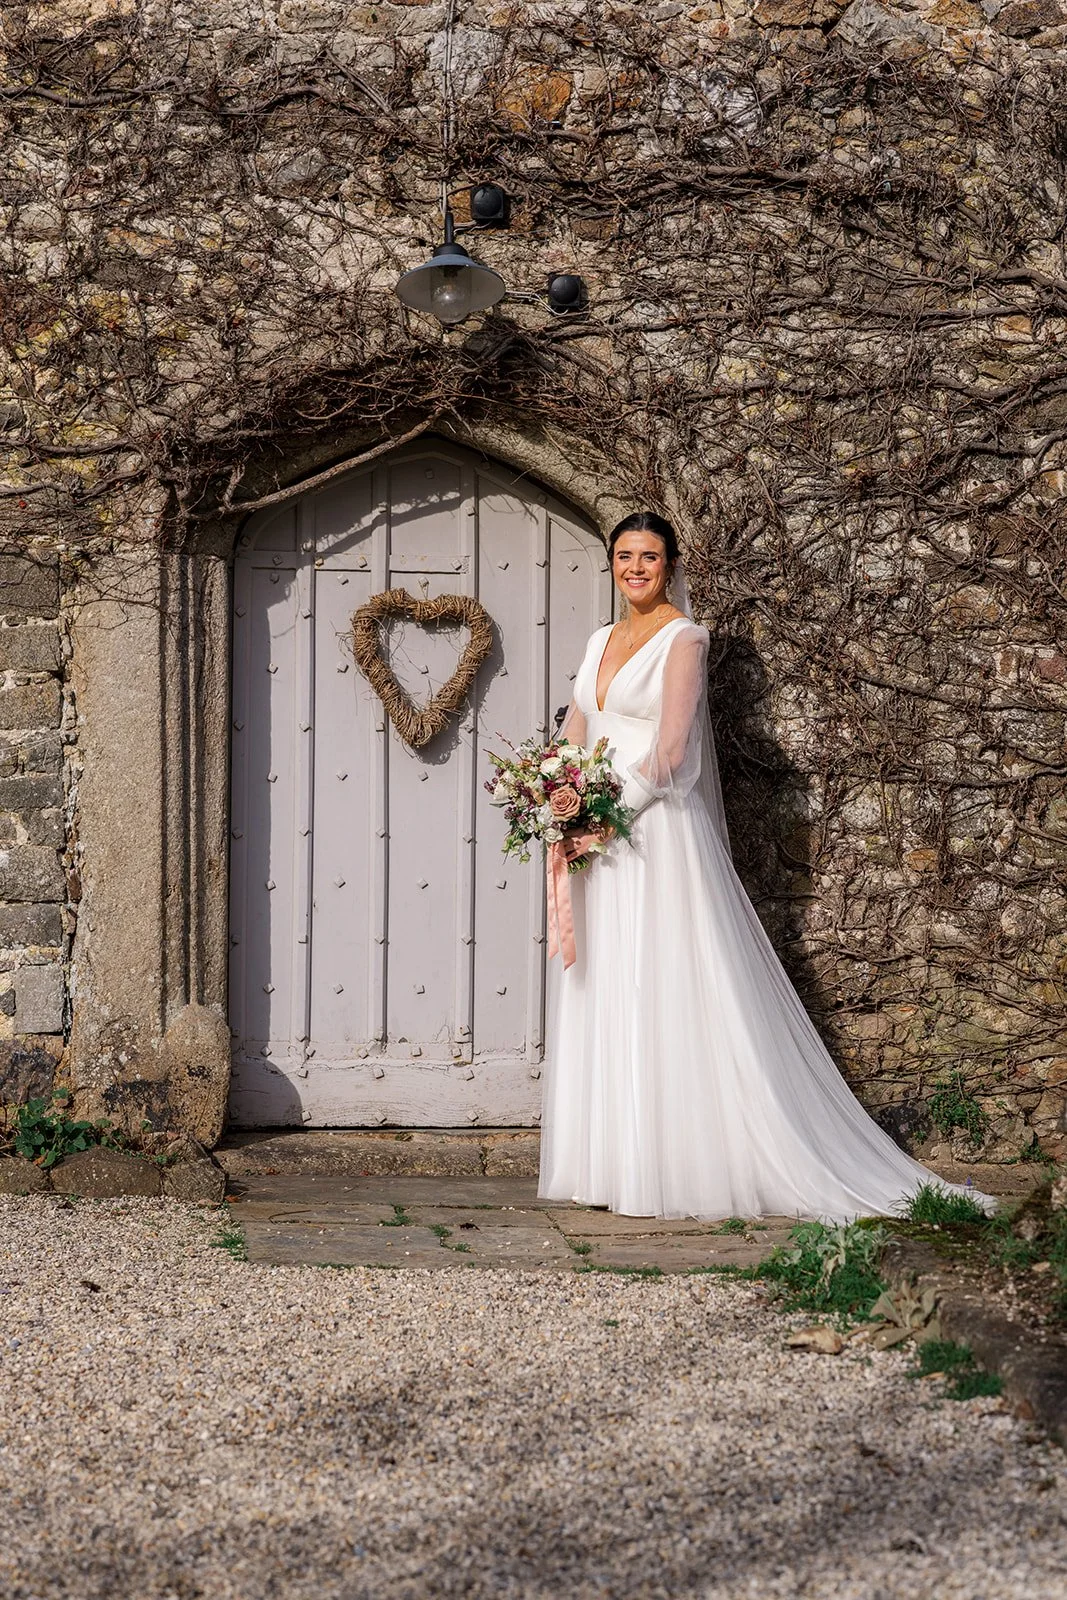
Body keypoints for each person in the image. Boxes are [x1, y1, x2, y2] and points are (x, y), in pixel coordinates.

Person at [537, 512, 994, 1222]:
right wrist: (549, 792)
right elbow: (575, 728)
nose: (634, 568)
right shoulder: (599, 638)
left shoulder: (683, 638)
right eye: (624, 556)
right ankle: (608, 1160)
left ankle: (673, 1161)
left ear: (670, 564)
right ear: (611, 562)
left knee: (657, 984)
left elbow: (671, 751)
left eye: (648, 557)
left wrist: (603, 808)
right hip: (596, 839)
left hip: (651, 832)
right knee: (606, 982)